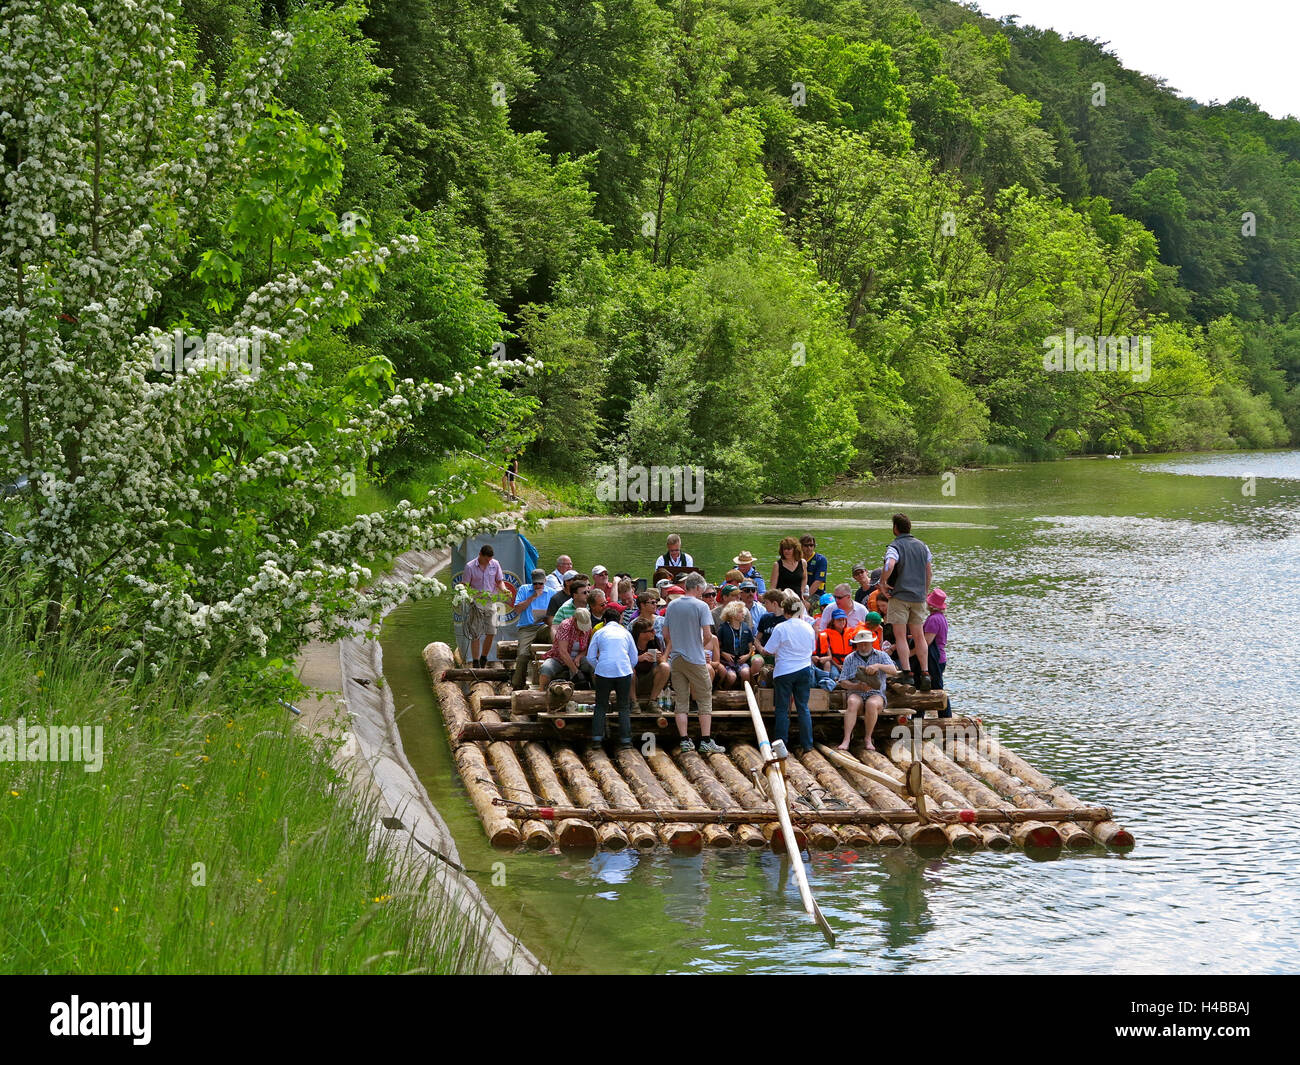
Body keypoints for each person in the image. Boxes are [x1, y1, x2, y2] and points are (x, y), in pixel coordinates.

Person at [662, 573, 725, 754]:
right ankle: (705, 740)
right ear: (697, 588)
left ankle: (684, 740)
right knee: (704, 698)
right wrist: (698, 647)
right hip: (695, 659)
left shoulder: (672, 605)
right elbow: (707, 635)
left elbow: (666, 634)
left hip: (676, 658)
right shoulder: (702, 606)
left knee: (681, 700)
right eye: (702, 590)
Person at [881, 513, 934, 690]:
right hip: (919, 598)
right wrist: (924, 591)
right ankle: (925, 673)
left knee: (901, 635)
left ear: (895, 528)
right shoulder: (923, 546)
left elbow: (889, 565)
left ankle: (907, 673)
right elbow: (929, 572)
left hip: (900, 596)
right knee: (919, 636)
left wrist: (883, 583)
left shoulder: (895, 546)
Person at [756, 597, 816, 753]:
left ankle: (781, 745)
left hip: (784, 671)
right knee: (803, 707)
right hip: (804, 669)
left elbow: (768, 650)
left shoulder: (781, 627)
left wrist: (758, 646)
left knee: (782, 709)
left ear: (785, 610)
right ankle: (807, 744)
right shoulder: (809, 627)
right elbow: (812, 648)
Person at [835, 630, 898, 750]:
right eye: (860, 644)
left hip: (876, 694)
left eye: (866, 643)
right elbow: (843, 682)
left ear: (871, 643)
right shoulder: (850, 658)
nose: (863, 646)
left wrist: (878, 666)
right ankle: (846, 739)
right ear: (856, 645)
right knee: (852, 702)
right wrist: (857, 686)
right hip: (856, 692)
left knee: (871, 704)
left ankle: (868, 738)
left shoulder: (881, 655)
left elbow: (894, 670)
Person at [587, 612, 638, 747]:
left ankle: (597, 739)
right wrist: (627, 667)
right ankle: (626, 740)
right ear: (620, 619)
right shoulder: (626, 633)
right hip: (624, 671)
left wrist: (599, 667)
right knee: (623, 706)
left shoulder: (600, 633)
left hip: (603, 671)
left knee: (601, 706)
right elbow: (634, 657)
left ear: (604, 620)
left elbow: (590, 657)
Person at [461, 544, 512, 668]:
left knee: (492, 631)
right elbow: (464, 586)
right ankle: (475, 662)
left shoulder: (495, 564)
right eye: (486, 559)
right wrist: (473, 594)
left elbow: (499, 581)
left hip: (491, 601)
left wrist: (504, 590)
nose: (488, 562)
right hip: (476, 601)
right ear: (480, 555)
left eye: (490, 560)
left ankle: (484, 657)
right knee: (475, 633)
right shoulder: (470, 566)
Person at [510, 567, 552, 690]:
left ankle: (550, 679)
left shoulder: (552, 592)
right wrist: (532, 597)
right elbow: (517, 610)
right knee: (523, 655)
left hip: (544, 626)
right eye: (536, 583)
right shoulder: (524, 590)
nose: (538, 586)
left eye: (541, 583)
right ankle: (517, 685)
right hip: (527, 628)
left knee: (554, 640)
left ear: (545, 580)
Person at [540, 608, 594, 688]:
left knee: (594, 666)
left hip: (578, 659)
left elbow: (586, 648)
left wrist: (579, 657)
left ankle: (597, 691)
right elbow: (563, 652)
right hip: (559, 658)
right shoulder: (565, 625)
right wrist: (575, 671)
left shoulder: (588, 627)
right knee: (546, 668)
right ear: (575, 620)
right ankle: (541, 691)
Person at [631, 616, 673, 711]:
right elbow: (623, 662)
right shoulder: (630, 642)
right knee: (629, 669)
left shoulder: (655, 641)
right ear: (641, 634)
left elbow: (662, 662)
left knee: (665, 667)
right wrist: (639, 658)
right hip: (633, 681)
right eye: (650, 631)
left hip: (649, 679)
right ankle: (634, 702)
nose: (654, 632)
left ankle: (652, 701)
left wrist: (659, 659)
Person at [922, 588, 953, 718]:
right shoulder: (940, 618)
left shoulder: (933, 619)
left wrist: (911, 651)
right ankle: (944, 715)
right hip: (940, 657)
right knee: (936, 686)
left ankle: (946, 717)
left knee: (937, 689)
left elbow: (927, 641)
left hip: (935, 659)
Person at [717, 600, 760, 689]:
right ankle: (724, 693)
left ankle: (745, 695)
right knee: (731, 677)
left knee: (745, 673)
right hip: (728, 662)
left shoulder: (746, 628)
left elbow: (751, 647)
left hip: (742, 661)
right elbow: (717, 647)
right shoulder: (723, 628)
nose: (743, 614)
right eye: (740, 612)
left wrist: (747, 656)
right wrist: (723, 653)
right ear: (733, 614)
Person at [814, 607, 859, 677]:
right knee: (835, 675)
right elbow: (827, 655)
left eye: (843, 619)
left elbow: (855, 651)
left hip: (848, 662)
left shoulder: (851, 632)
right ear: (833, 621)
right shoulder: (827, 634)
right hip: (834, 663)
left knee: (855, 674)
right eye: (839, 620)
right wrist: (838, 666)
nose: (842, 622)